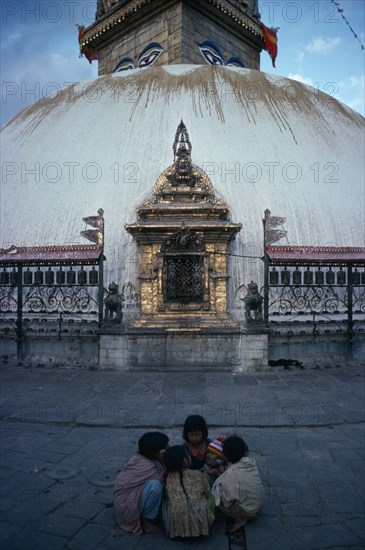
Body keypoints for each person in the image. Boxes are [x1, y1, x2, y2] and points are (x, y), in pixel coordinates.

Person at [113, 431, 169, 535]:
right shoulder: (146, 466)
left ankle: (151, 513)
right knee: (156, 486)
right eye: (166, 446)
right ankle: (146, 521)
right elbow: (164, 478)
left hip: (128, 499)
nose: (169, 447)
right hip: (126, 509)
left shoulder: (143, 457)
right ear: (158, 454)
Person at [211, 435, 265, 533]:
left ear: (226, 456)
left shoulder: (232, 473)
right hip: (258, 504)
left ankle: (240, 519)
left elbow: (228, 500)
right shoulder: (248, 462)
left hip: (249, 512)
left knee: (216, 505)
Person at [163, 445, 215, 538]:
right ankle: (204, 524)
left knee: (165, 501)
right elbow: (207, 493)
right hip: (200, 520)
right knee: (211, 497)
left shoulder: (168, 478)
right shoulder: (197, 474)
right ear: (185, 460)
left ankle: (178, 529)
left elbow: (167, 497)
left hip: (178, 521)